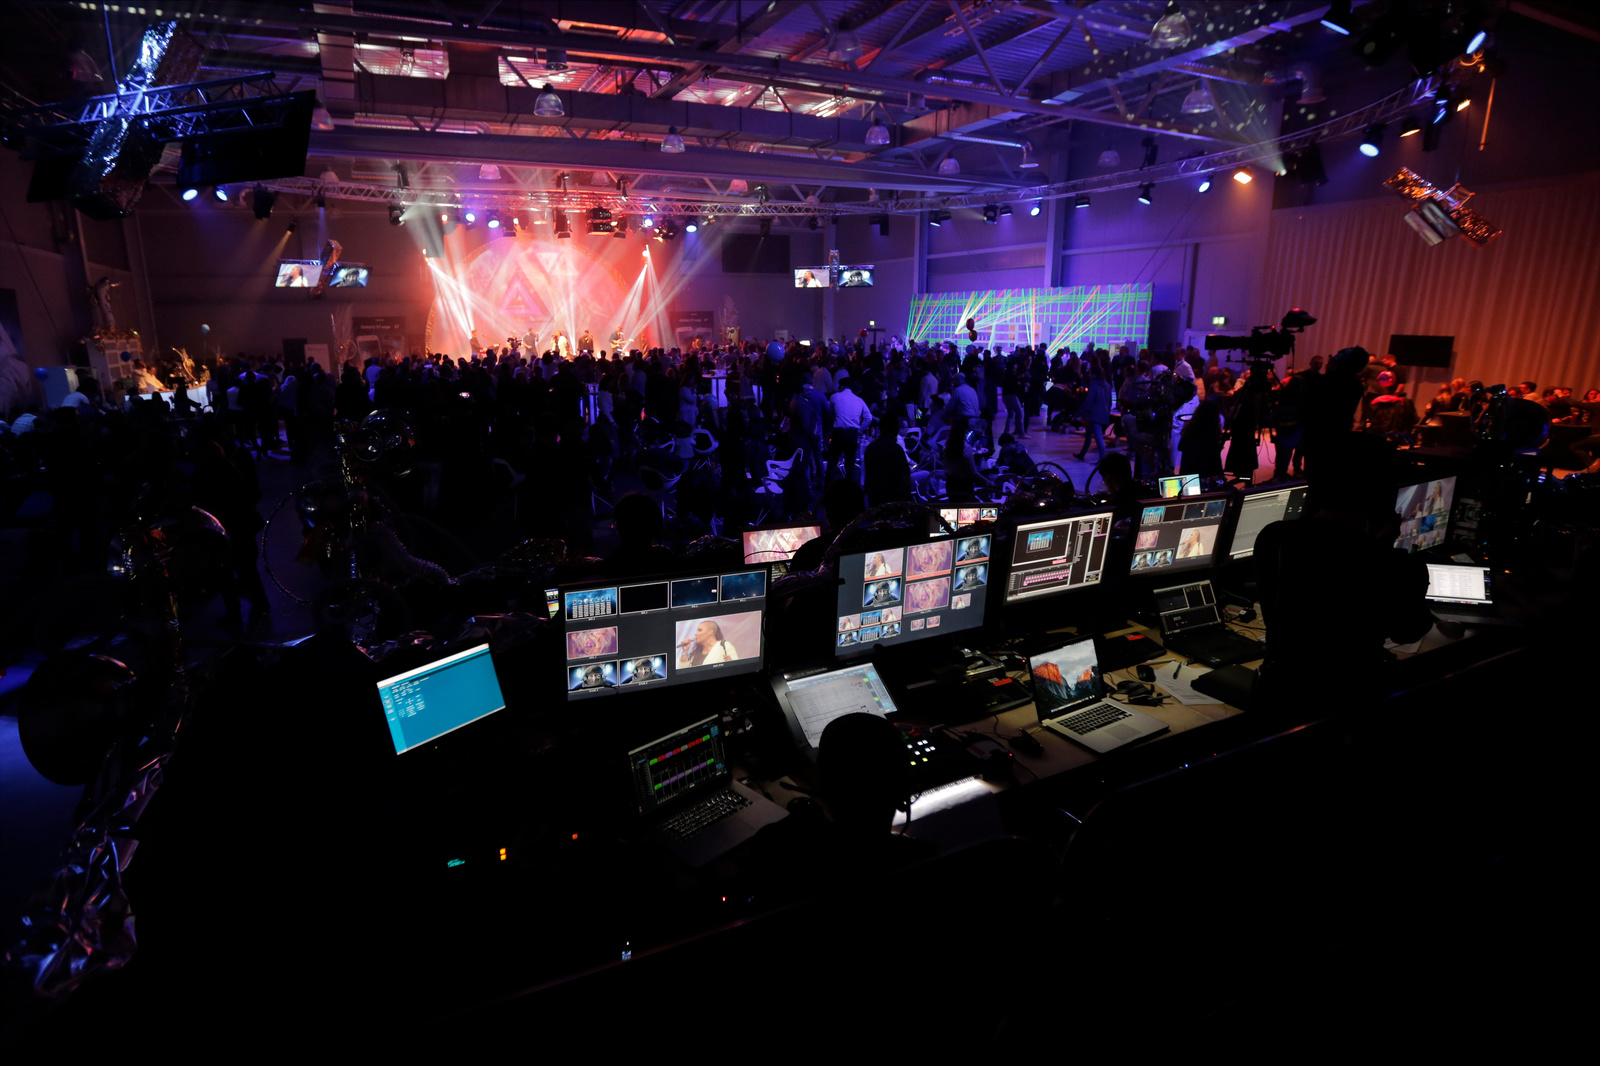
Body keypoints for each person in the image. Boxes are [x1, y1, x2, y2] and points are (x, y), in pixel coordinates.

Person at [828, 378, 871, 484]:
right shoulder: (859, 400)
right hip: (852, 433)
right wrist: (860, 429)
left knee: (832, 462)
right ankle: (850, 489)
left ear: (842, 386)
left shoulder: (834, 397)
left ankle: (828, 489)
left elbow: (831, 415)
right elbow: (868, 418)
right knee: (850, 463)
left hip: (839, 432)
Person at [1074, 365, 1113, 462]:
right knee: (1089, 434)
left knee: (1098, 437)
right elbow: (1109, 401)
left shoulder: (1093, 384)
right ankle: (1082, 454)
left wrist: (1080, 412)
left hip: (1093, 413)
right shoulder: (1107, 385)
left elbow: (1089, 400)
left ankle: (1103, 458)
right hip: (1103, 412)